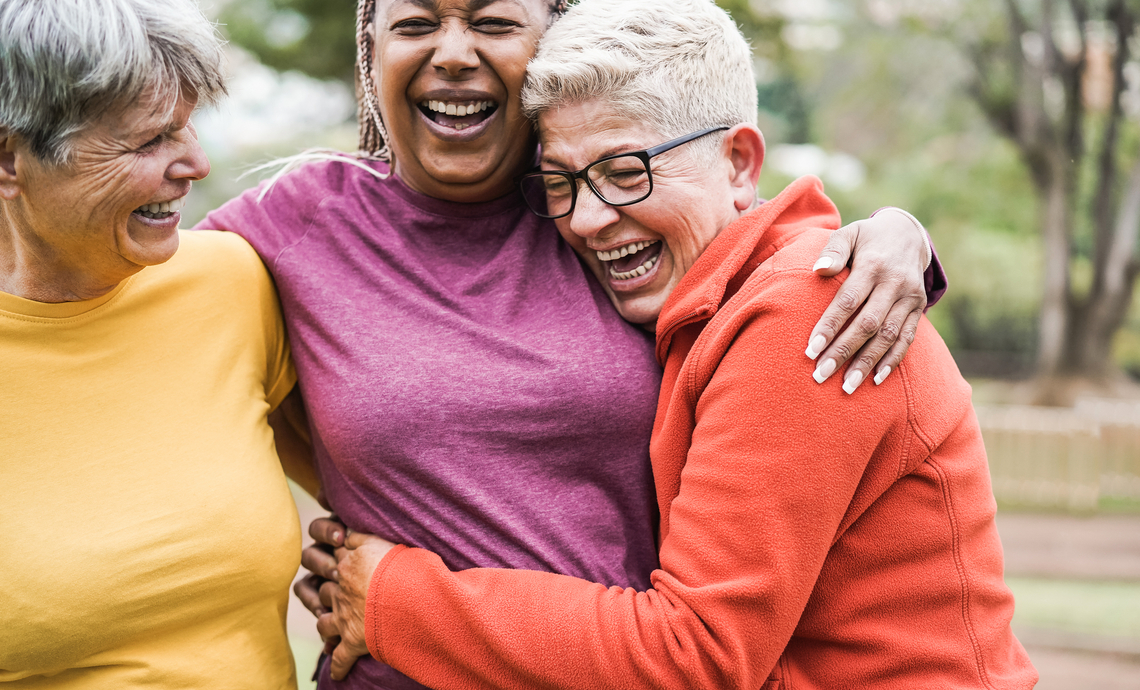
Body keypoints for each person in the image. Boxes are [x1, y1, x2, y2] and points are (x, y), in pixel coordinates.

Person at [201, 1, 944, 688]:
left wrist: (891, 236)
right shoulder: (295, 227)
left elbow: (751, 233)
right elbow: (131, 300)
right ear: (372, 49)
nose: (453, 52)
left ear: (544, 43)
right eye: (415, 21)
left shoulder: (608, 214)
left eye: (492, 21)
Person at [0, 0, 318, 687]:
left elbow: (379, 493)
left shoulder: (231, 283)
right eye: (149, 143)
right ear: (9, 159)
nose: (197, 164)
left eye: (188, 129)